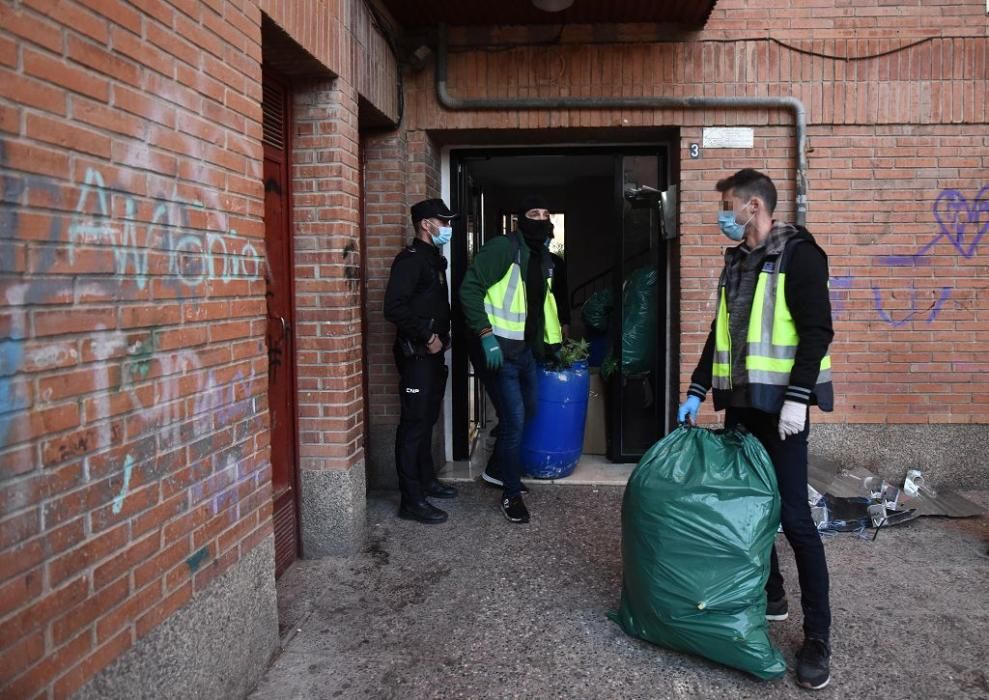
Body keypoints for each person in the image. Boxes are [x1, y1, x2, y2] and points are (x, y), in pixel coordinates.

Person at [677, 169, 835, 690]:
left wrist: (798, 399)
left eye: (728, 204)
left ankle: (818, 638)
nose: (723, 214)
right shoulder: (737, 262)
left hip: (782, 411)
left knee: (794, 518)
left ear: (753, 207)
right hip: (742, 405)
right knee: (748, 504)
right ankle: (771, 593)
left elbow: (816, 332)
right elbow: (720, 334)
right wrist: (698, 390)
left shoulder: (800, 255)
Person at [459, 195, 563, 523]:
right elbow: (469, 289)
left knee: (528, 410)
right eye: (535, 213)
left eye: (546, 213)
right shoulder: (503, 249)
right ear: (521, 219)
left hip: (525, 352)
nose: (542, 218)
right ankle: (511, 493)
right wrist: (485, 334)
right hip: (497, 351)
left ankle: (494, 471)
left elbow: (543, 306)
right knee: (514, 419)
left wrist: (552, 344)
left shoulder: (544, 257)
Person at [383, 198, 460, 524]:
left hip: (432, 356)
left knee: (427, 420)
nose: (448, 228)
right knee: (413, 425)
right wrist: (427, 338)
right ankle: (411, 499)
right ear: (426, 224)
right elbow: (394, 307)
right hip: (417, 355)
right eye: (443, 222)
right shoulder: (411, 260)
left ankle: (426, 481)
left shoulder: (433, 259)